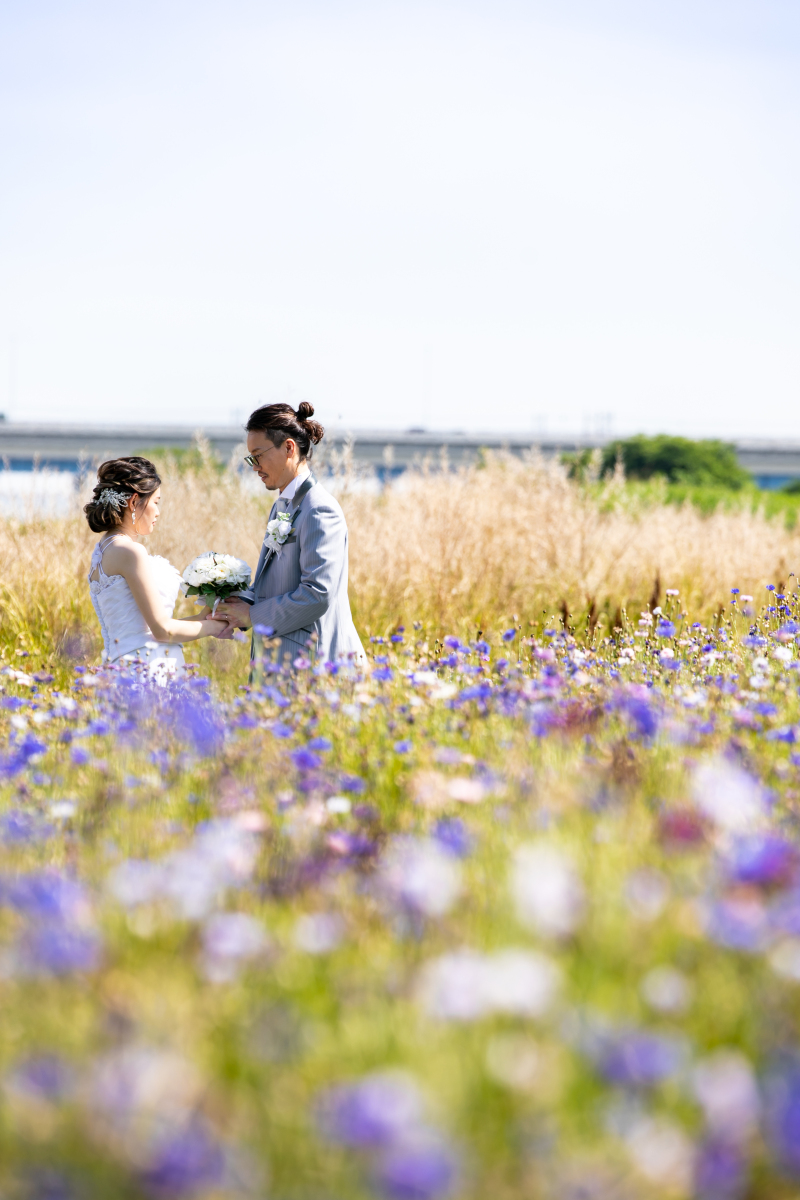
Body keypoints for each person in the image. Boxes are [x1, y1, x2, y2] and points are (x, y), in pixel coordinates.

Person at [215, 402, 365, 668]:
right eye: (250, 458)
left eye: (258, 455)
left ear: (288, 448)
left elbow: (317, 593)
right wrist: (234, 603)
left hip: (315, 666)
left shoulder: (319, 508)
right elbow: (279, 585)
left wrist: (253, 615)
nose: (254, 467)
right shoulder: (283, 504)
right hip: (283, 660)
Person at [84, 457, 230, 681]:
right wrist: (214, 627)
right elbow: (163, 632)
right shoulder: (131, 552)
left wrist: (202, 619)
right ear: (134, 502)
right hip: (149, 669)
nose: (158, 512)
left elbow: (146, 631)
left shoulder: (103, 550)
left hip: (124, 666)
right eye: (156, 502)